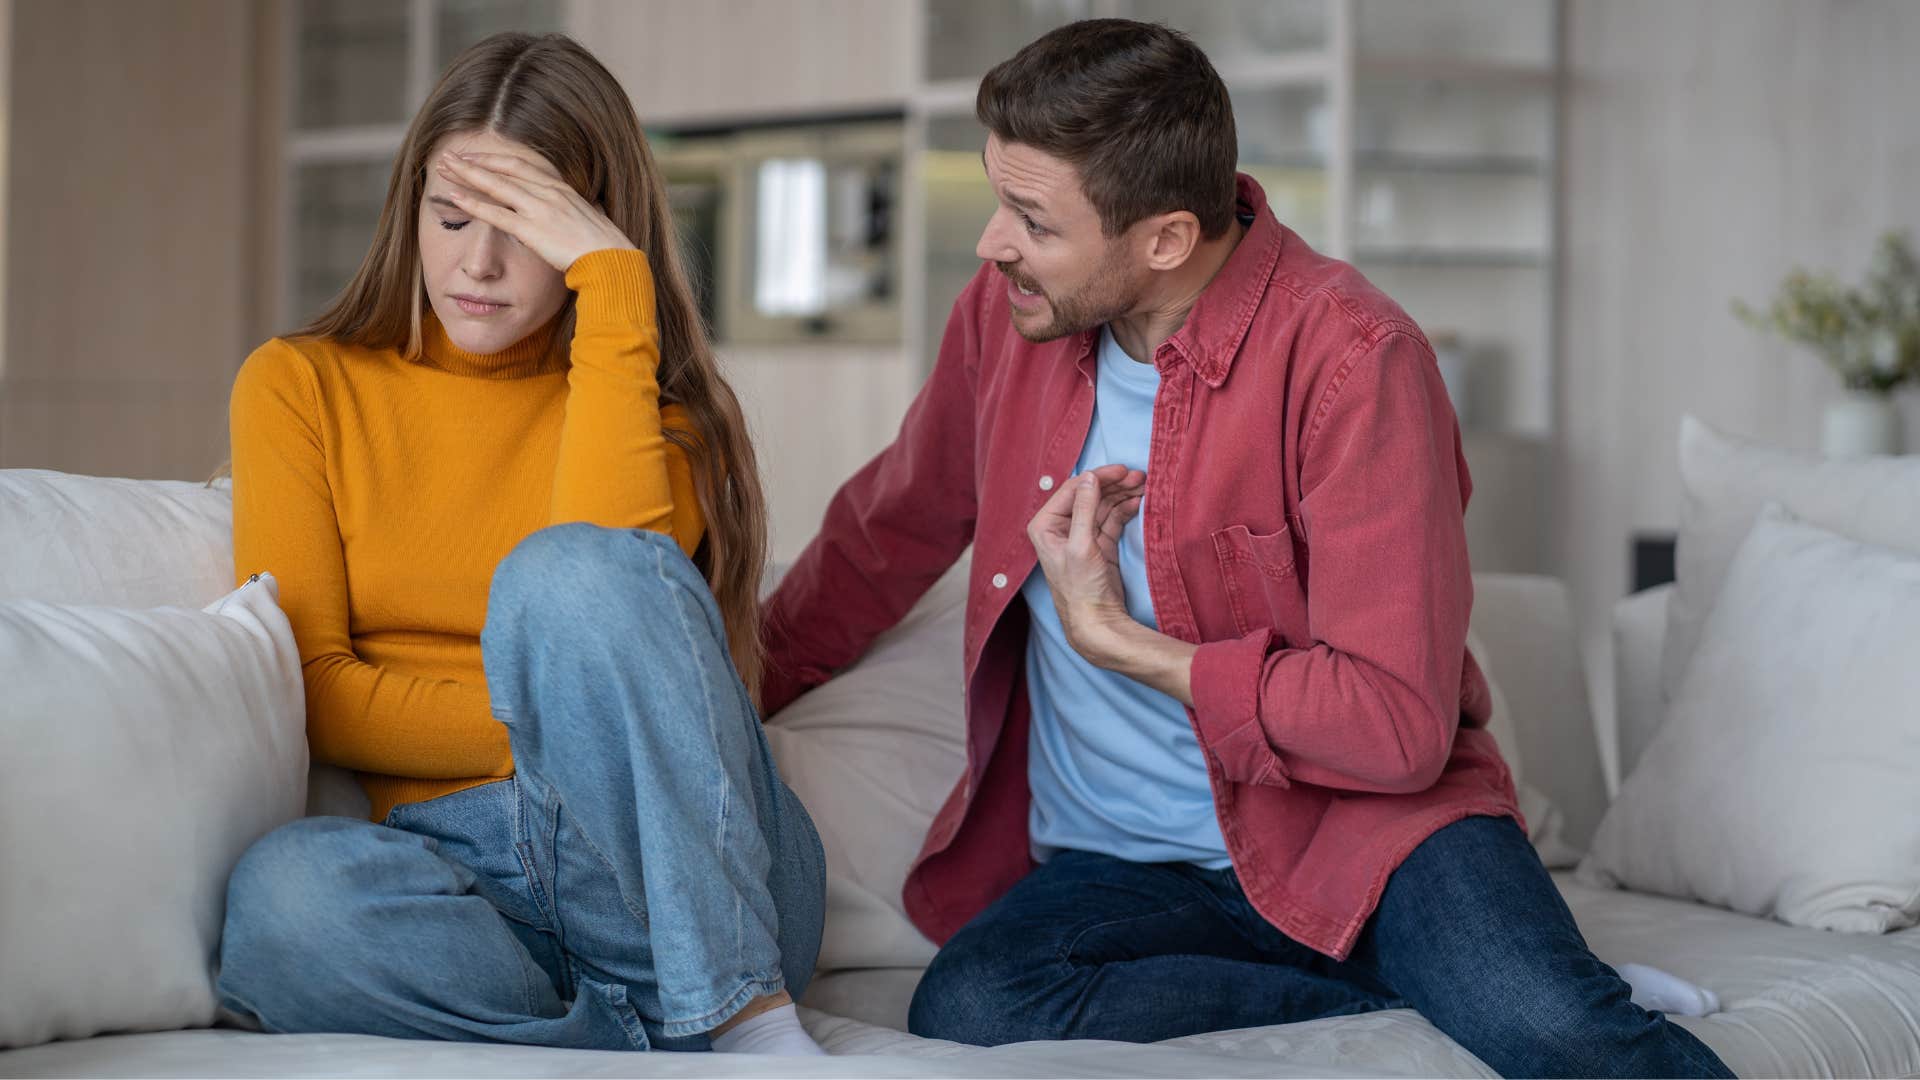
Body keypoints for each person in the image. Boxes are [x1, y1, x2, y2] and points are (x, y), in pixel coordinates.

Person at [759, 18, 1735, 1078]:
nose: (993, 243)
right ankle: (1399, 983)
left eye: (1031, 220)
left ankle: (1487, 978)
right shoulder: (1007, 321)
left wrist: (1118, 639)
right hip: (1123, 867)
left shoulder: (1356, 359)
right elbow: (883, 533)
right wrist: (712, 687)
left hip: (1367, 837)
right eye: (1000, 202)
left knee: (1558, 1031)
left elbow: (1400, 727)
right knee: (978, 1003)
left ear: (1166, 239)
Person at [216, 32, 827, 1056]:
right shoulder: (300, 386)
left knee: (571, 570)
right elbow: (316, 687)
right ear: (408, 209)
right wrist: (561, 725)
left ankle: (743, 1015)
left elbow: (613, 594)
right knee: (283, 899)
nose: (478, 264)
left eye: (528, 232)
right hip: (465, 862)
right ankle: (648, 1032)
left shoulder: (648, 414)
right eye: (451, 218)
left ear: (597, 241)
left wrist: (617, 294)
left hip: (690, 871)